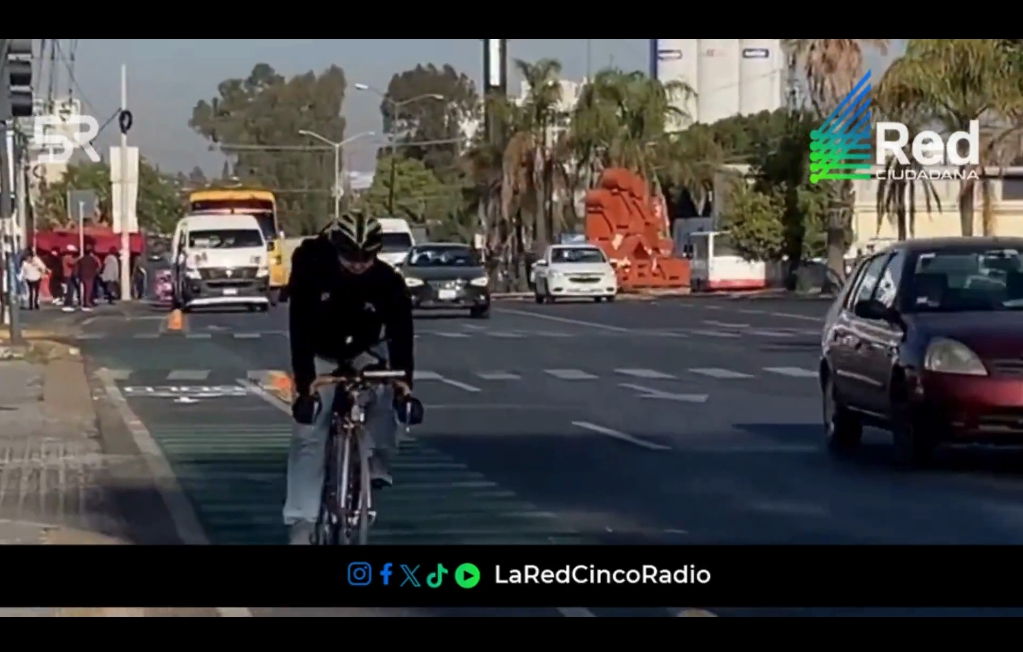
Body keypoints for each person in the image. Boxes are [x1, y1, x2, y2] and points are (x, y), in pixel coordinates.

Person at [284, 211, 416, 545]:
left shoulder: (389, 282)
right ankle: (301, 521)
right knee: (309, 434)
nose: (358, 264)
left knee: (388, 401)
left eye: (366, 257)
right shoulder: (312, 274)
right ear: (335, 249)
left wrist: (404, 386)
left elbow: (402, 335)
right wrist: (305, 388)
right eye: (350, 257)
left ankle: (376, 465)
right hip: (321, 354)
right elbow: (298, 331)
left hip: (365, 353)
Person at [75, 244, 101, 312]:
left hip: (83, 276)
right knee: (88, 290)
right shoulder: (92, 259)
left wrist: (77, 276)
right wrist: (96, 273)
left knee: (85, 290)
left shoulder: (81, 259)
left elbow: (77, 268)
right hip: (90, 276)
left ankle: (84, 302)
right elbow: (97, 267)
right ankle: (86, 303)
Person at [61, 246, 79, 312]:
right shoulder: (67, 257)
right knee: (70, 290)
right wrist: (78, 258)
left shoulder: (66, 257)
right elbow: (72, 263)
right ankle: (68, 304)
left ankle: (68, 303)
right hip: (68, 275)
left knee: (70, 290)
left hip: (68, 275)